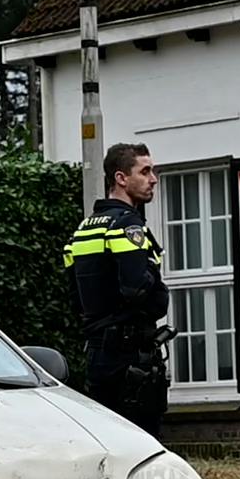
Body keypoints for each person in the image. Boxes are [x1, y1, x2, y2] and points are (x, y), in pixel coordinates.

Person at [64, 142, 173, 435]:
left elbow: (76, 298)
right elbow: (140, 291)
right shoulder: (127, 225)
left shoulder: (83, 229)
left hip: (97, 358)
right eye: (145, 171)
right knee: (144, 446)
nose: (153, 179)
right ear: (121, 179)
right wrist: (158, 293)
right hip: (131, 360)